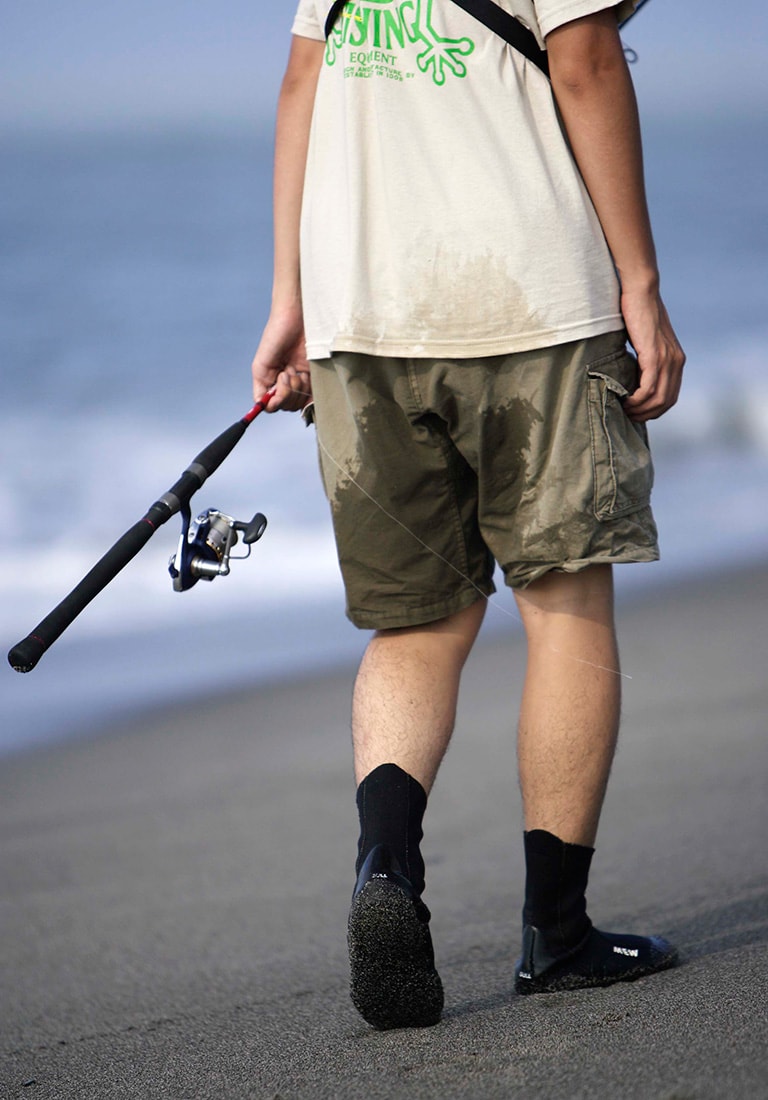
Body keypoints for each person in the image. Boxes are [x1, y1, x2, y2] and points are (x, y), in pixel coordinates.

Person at [251, 0, 685, 1030]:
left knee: (418, 621)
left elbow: (301, 89)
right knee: (565, 601)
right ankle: (558, 934)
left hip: (363, 315)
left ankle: (386, 868)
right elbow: (582, 62)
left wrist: (291, 297)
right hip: (530, 302)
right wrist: (644, 284)